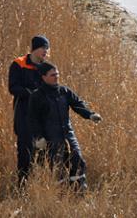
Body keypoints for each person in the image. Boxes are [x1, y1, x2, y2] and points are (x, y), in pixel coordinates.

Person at [27, 61, 102, 192]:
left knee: (77, 159)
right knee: (57, 166)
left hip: (68, 134)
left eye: (57, 74)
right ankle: (62, 194)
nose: (56, 77)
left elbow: (78, 105)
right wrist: (39, 137)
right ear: (43, 77)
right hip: (51, 137)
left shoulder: (64, 91)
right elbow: (33, 120)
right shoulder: (36, 96)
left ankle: (79, 192)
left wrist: (90, 115)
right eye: (52, 75)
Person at [8, 35, 51, 186]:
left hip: (41, 116)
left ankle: (37, 185)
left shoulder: (46, 68)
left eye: (47, 49)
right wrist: (32, 94)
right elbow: (13, 88)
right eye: (43, 48)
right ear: (35, 49)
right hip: (23, 114)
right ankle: (22, 185)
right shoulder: (18, 64)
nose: (46, 51)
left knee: (42, 151)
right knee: (25, 151)